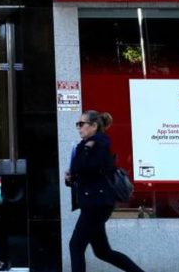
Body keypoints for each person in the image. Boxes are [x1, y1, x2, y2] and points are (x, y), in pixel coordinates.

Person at [65, 110, 145, 272]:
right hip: (93, 202)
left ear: (94, 126)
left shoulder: (100, 143)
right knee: (102, 251)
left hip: (97, 203)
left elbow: (94, 168)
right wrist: (70, 178)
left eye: (82, 124)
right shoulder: (85, 145)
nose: (79, 127)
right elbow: (81, 172)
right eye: (78, 124)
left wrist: (85, 151)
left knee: (76, 245)